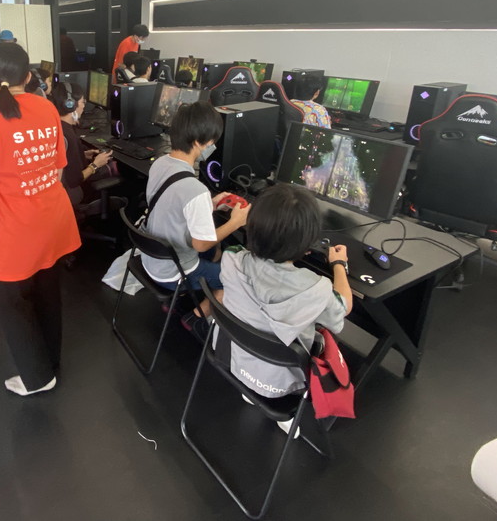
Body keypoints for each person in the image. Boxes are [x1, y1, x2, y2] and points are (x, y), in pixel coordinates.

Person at [0, 42, 80, 396]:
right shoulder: (46, 107)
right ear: (28, 77)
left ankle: (37, 377)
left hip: (20, 225)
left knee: (7, 299)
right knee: (47, 288)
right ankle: (50, 360)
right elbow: (58, 169)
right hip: (54, 215)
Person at [217, 184, 351, 421]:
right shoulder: (316, 289)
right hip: (285, 384)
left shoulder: (231, 258)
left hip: (236, 361)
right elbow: (343, 308)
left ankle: (252, 390)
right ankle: (287, 419)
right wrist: (339, 265)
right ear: (307, 244)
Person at [142, 101, 249, 318]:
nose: (212, 146)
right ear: (199, 142)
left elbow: (171, 205)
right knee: (238, 280)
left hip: (151, 258)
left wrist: (209, 204)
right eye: (211, 142)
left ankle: (196, 289)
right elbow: (201, 245)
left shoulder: (160, 163)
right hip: (173, 273)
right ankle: (195, 318)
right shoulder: (195, 190)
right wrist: (235, 222)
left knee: (216, 250)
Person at [50, 82, 114, 208]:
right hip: (72, 192)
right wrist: (95, 165)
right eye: (83, 102)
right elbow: (74, 180)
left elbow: (64, 156)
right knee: (116, 168)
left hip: (58, 190)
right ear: (70, 104)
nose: (84, 106)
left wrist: (82, 154)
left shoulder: (57, 126)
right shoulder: (68, 135)